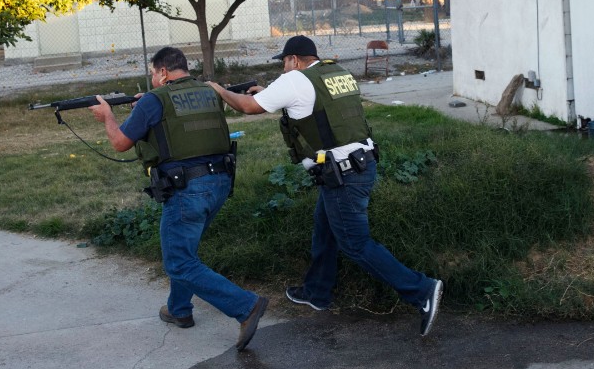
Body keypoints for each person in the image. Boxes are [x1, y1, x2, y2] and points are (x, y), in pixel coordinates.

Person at [209, 35, 444, 337]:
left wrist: (219, 89)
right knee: (325, 227)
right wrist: (269, 92)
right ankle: (317, 292)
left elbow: (249, 107)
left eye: (284, 61)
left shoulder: (294, 80)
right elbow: (313, 105)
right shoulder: (336, 73)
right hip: (360, 164)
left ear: (294, 60)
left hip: (344, 175)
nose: (284, 67)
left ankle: (421, 290)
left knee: (356, 244)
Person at [89, 46, 268, 351]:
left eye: (152, 73)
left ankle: (245, 306)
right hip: (220, 181)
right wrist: (143, 109)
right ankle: (179, 309)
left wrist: (107, 116)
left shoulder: (154, 100)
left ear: (162, 72)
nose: (152, 79)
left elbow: (120, 143)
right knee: (185, 249)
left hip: (187, 189)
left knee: (178, 261)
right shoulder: (210, 91)